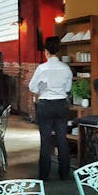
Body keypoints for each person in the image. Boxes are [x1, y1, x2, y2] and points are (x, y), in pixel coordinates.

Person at [28, 36, 73, 180]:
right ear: (58, 50)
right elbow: (68, 88)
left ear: (46, 51)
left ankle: (44, 175)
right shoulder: (66, 68)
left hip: (45, 105)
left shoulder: (42, 68)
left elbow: (32, 87)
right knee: (62, 140)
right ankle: (64, 174)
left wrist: (44, 88)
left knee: (45, 141)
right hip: (61, 105)